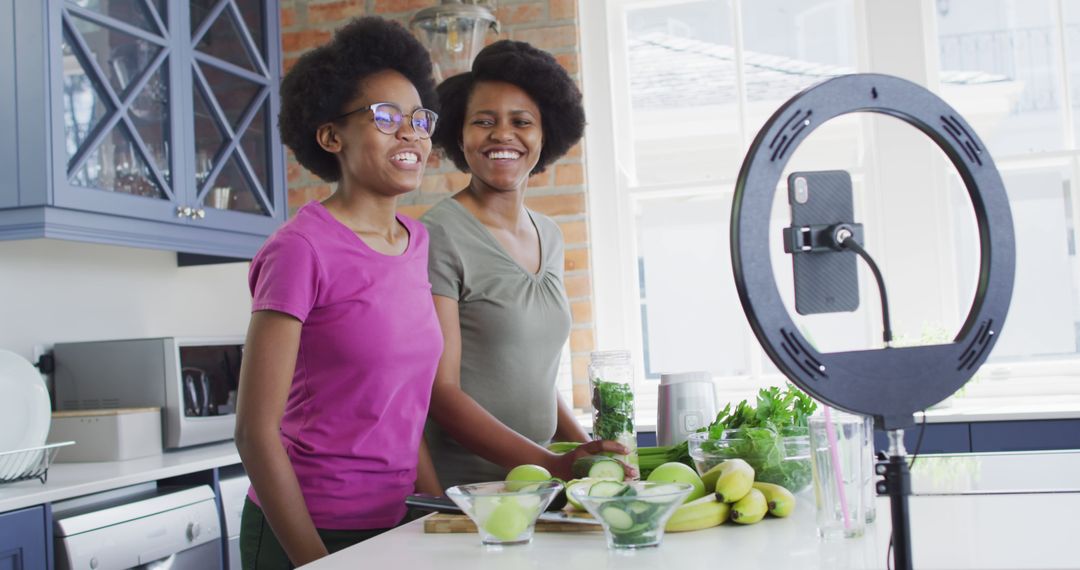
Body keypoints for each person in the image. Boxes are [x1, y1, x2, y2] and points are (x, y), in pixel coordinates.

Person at [234, 17, 443, 569]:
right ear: (331, 136)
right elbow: (255, 433)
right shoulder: (301, 249)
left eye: (420, 119)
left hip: (398, 521)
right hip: (305, 529)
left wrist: (434, 507)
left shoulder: (416, 241)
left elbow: (401, 404)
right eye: (386, 117)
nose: (412, 133)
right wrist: (314, 562)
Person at [421, 40, 632, 490]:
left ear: (544, 136)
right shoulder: (439, 235)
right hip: (473, 491)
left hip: (538, 484)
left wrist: (590, 456)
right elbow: (442, 392)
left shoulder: (550, 236)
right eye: (484, 121)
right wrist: (553, 464)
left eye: (522, 122)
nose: (503, 135)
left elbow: (530, 379)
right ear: (461, 135)